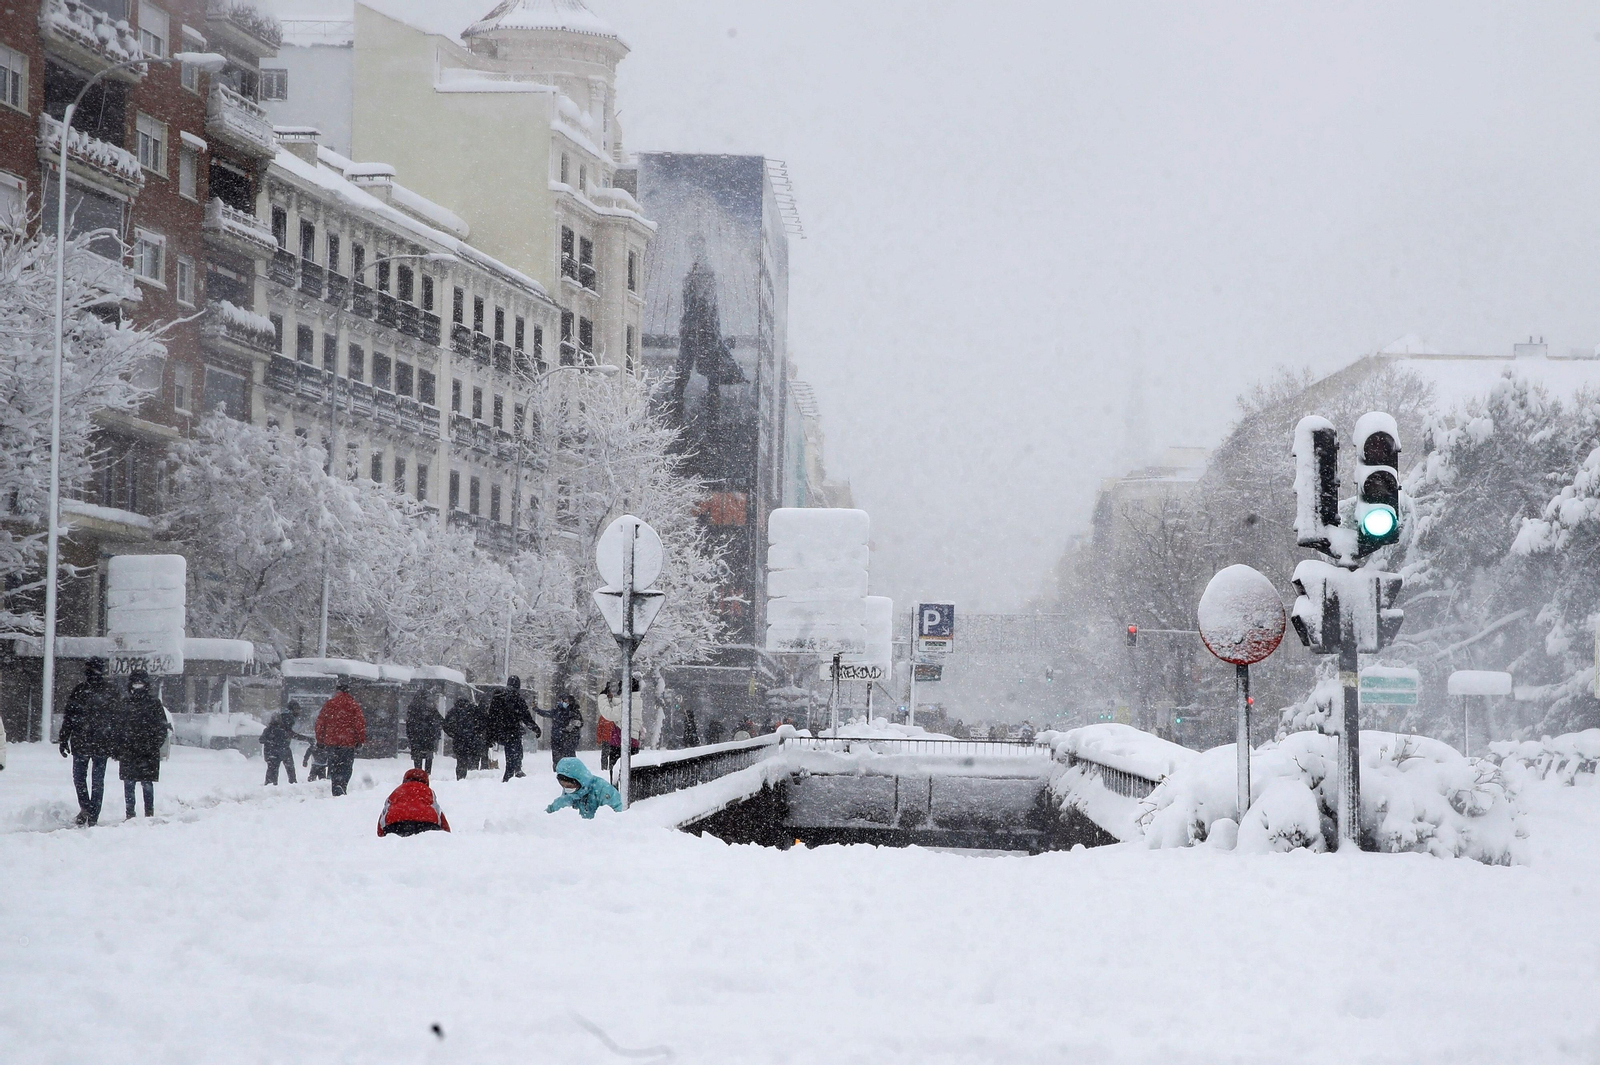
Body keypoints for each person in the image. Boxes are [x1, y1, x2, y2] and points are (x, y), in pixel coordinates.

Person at [58, 657, 121, 826]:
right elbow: (117, 721)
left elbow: (69, 717)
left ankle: (87, 810)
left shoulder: (81, 690)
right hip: (98, 741)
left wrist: (64, 738)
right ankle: (92, 813)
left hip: (84, 741)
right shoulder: (109, 692)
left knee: (81, 778)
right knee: (95, 780)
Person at [117, 668, 170, 819]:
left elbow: (161, 728)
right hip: (134, 750)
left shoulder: (151, 704)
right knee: (133, 783)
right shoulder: (129, 703)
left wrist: (152, 745)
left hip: (142, 751)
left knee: (141, 784)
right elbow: (118, 728)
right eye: (135, 683)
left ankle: (145, 813)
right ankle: (134, 814)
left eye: (140, 683)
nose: (137, 686)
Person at [314, 678, 366, 797]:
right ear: (348, 691)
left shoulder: (329, 704)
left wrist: (320, 740)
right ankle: (342, 785)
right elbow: (360, 724)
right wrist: (360, 740)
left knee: (334, 765)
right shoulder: (353, 705)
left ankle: (335, 784)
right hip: (348, 742)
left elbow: (320, 723)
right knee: (346, 766)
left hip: (331, 742)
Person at [486, 676, 539, 782]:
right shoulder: (518, 699)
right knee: (515, 751)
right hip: (513, 731)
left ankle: (513, 772)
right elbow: (526, 717)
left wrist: (490, 735)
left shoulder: (498, 698)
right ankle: (512, 773)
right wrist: (535, 728)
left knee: (511, 752)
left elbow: (491, 718)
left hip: (501, 731)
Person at [376, 768, 451, 837]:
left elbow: (384, 814)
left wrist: (382, 835)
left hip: (395, 823)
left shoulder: (396, 792)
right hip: (426, 822)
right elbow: (439, 813)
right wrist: (446, 836)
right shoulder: (429, 792)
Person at [546, 757, 622, 819]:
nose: (567, 789)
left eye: (569, 786)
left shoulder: (603, 790)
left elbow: (616, 815)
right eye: (563, 786)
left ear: (579, 780)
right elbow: (558, 806)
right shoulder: (570, 793)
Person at [534, 693, 583, 771]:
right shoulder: (557, 710)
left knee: (569, 758)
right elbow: (546, 713)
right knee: (557, 758)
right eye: (560, 701)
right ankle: (557, 771)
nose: (562, 703)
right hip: (556, 738)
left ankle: (570, 772)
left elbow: (580, 723)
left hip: (568, 739)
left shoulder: (574, 711)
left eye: (564, 701)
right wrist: (536, 709)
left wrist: (571, 728)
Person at [443, 695, 486, 779]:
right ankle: (472, 776)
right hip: (473, 740)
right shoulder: (474, 709)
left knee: (461, 760)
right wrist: (478, 732)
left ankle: (460, 777)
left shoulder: (453, 711)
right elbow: (483, 722)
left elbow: (446, 725)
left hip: (459, 740)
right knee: (473, 759)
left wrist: (453, 734)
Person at [404, 691, 444, 775]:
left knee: (417, 756)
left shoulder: (412, 708)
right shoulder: (431, 708)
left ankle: (418, 772)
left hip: (416, 737)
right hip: (429, 737)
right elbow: (440, 720)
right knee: (428, 755)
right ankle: (427, 773)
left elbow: (409, 723)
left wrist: (410, 735)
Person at [260, 710, 298, 785]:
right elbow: (287, 738)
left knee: (272, 771)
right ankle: (293, 784)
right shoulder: (282, 730)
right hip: (282, 751)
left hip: (271, 753)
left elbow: (261, 740)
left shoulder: (268, 730)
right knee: (290, 769)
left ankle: (270, 785)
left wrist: (270, 741)